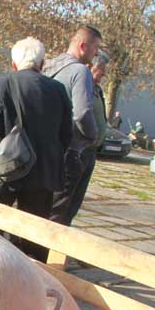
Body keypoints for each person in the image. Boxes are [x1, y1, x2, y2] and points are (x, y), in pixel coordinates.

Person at [0, 37, 73, 262]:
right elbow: (66, 135)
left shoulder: (0, 84)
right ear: (42, 64)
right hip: (43, 175)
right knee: (33, 241)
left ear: (13, 64)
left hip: (4, 170)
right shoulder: (58, 90)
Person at [44, 25, 102, 225]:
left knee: (41, 205)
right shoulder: (79, 72)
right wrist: (92, 137)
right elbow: (83, 113)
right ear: (83, 46)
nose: (96, 54)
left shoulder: (49, 66)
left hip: (46, 149)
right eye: (95, 48)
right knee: (60, 212)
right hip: (71, 151)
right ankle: (47, 255)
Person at [63, 52, 110, 225]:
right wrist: (91, 135)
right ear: (90, 67)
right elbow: (81, 114)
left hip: (90, 152)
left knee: (74, 203)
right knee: (63, 202)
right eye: (101, 69)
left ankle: (63, 236)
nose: (104, 74)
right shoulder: (81, 85)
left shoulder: (97, 89)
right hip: (77, 151)